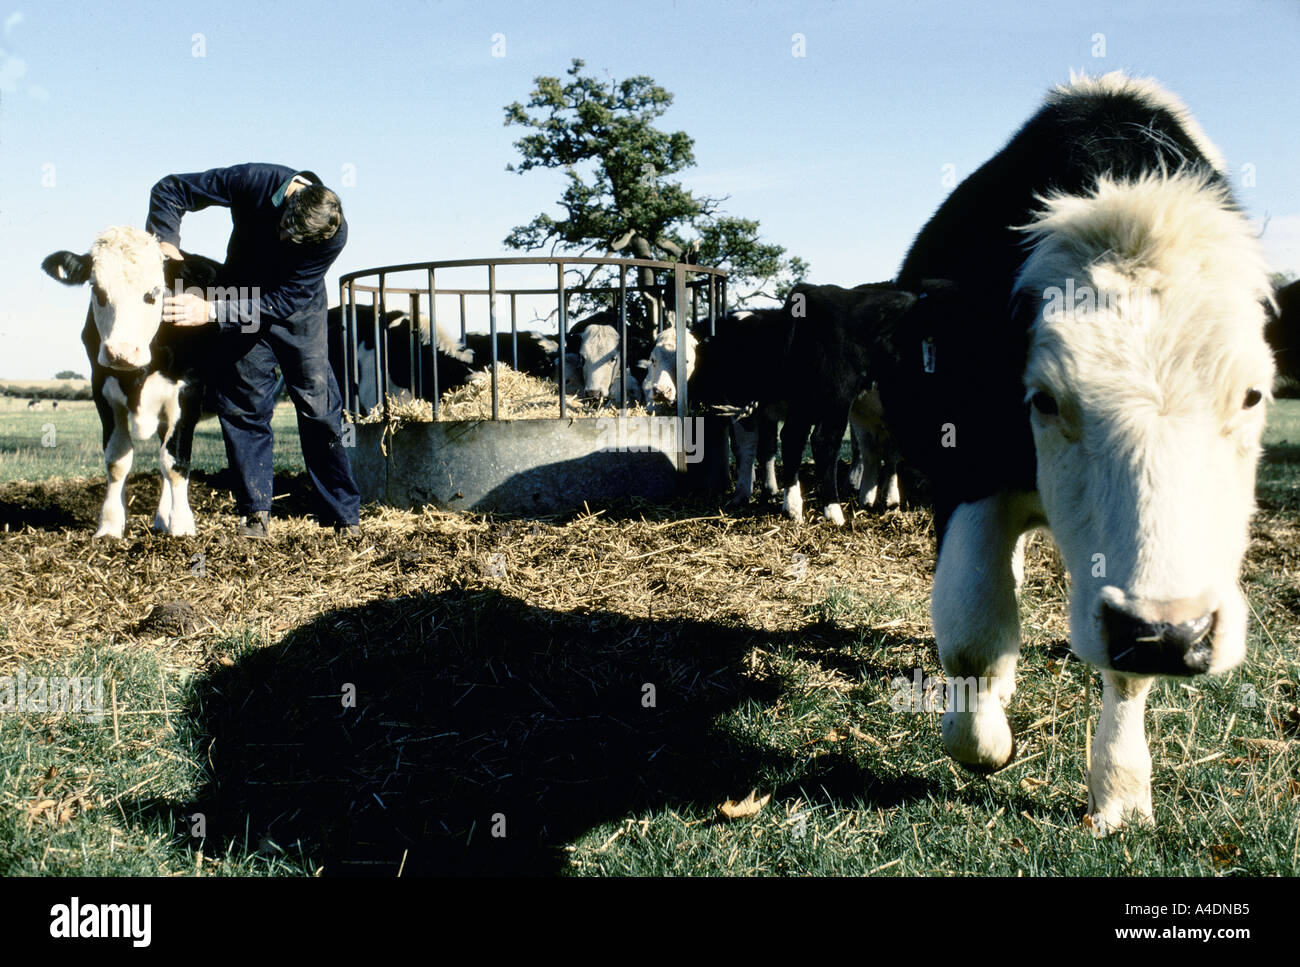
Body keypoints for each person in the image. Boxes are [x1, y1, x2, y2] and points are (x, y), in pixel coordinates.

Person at [146, 163, 361, 539]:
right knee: (244, 406)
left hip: (297, 312)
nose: (283, 242)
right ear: (287, 203)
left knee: (319, 409)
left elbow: (282, 299)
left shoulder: (334, 234)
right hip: (239, 301)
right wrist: (165, 241)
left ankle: (342, 515)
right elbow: (171, 188)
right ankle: (254, 514)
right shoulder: (253, 181)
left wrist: (210, 309)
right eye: (283, 232)